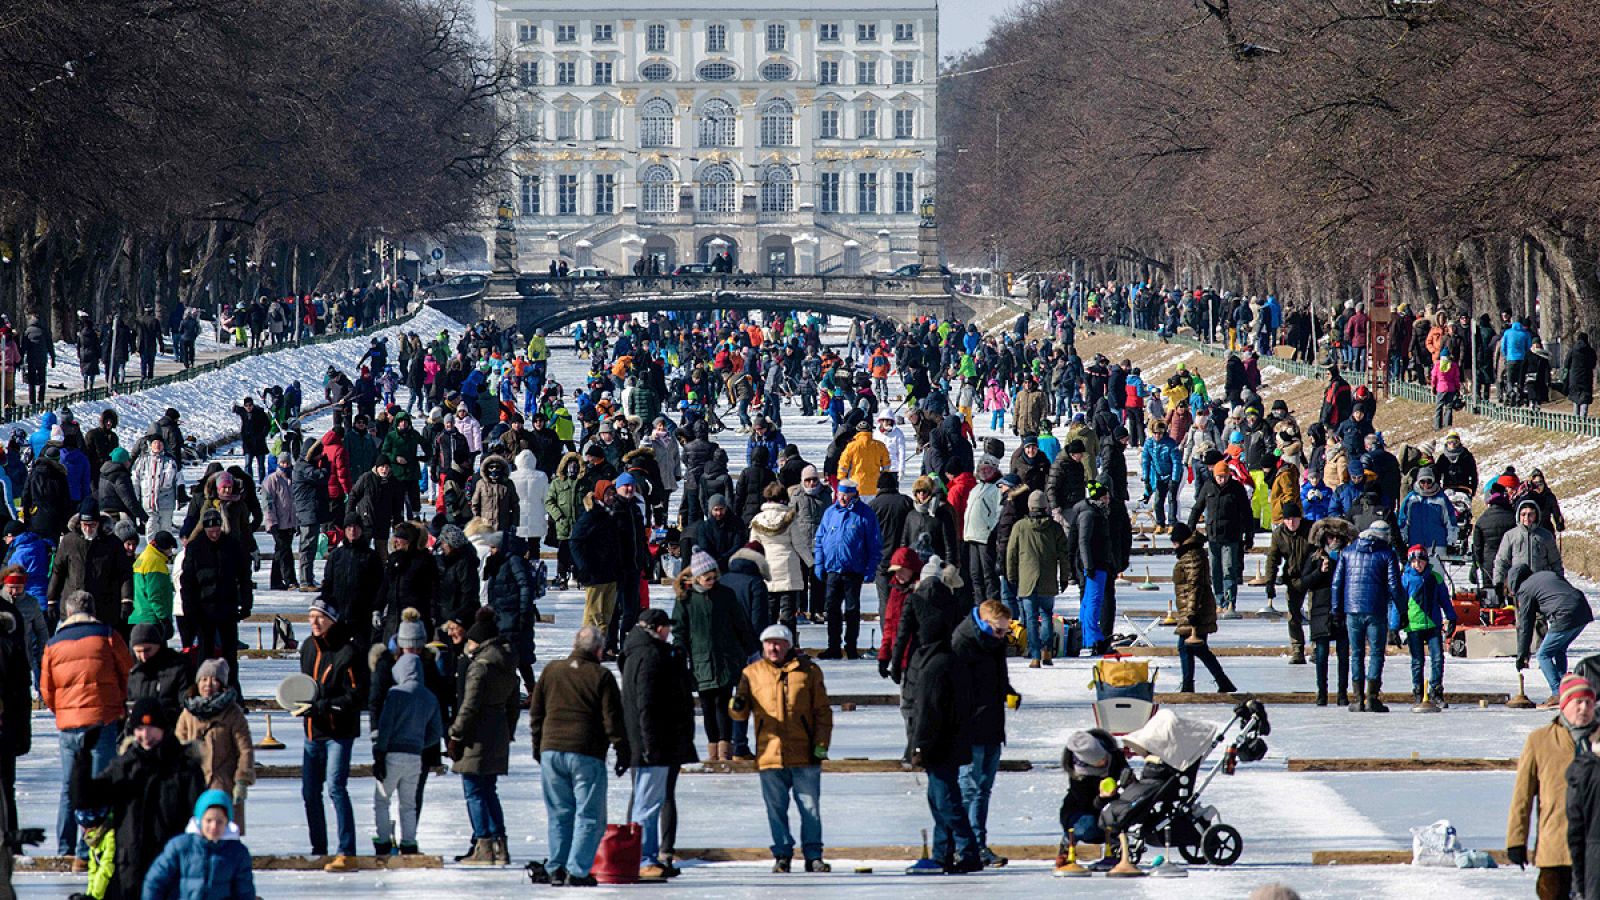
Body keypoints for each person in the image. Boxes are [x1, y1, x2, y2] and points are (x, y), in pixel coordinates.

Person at [69, 696, 204, 900]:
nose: (146, 735)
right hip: (129, 869)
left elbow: (199, 819)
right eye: (140, 729)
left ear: (163, 729)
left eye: (151, 728)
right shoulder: (125, 766)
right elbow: (85, 799)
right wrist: (83, 758)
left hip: (170, 868)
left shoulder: (184, 767)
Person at [528, 626, 628, 886]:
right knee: (589, 815)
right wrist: (622, 749)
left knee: (559, 812)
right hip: (585, 752)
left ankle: (556, 866)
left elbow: (536, 712)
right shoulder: (601, 676)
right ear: (598, 650)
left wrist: (538, 746)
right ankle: (577, 870)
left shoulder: (551, 671)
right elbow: (612, 719)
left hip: (551, 750)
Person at [730, 624, 833, 874]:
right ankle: (782, 854)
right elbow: (739, 714)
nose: (773, 648)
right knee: (775, 809)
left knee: (810, 808)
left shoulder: (808, 672)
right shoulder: (752, 673)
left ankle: (813, 855)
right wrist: (737, 702)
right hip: (769, 753)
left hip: (804, 753)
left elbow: (822, 713)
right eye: (769, 643)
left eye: (778, 643)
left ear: (788, 646)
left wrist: (820, 746)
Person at [42, 589, 131, 861]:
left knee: (70, 785)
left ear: (68, 612)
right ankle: (90, 848)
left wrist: (63, 711)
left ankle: (65, 848)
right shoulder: (107, 636)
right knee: (99, 785)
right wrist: (118, 706)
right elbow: (126, 672)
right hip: (102, 720)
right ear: (93, 610)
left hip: (69, 724)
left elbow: (46, 689)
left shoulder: (53, 644)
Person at [904, 590, 980, 874]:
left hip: (939, 745)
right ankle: (941, 853)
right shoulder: (948, 659)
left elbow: (927, 712)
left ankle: (967, 851)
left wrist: (919, 746)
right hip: (950, 742)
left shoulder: (935, 666)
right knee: (940, 800)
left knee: (946, 802)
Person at [620, 608, 696, 879]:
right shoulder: (649, 655)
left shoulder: (637, 652)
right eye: (666, 627)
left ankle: (646, 855)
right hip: (654, 744)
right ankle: (644, 858)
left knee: (647, 800)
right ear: (656, 628)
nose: (669, 632)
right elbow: (646, 704)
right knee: (648, 803)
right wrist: (651, 744)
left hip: (648, 742)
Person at [294, 599, 367, 870]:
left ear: (332, 620)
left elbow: (357, 696)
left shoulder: (348, 651)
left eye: (320, 617)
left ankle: (346, 850)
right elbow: (305, 686)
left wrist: (324, 706)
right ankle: (319, 849)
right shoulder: (307, 647)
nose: (314, 622)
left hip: (339, 732)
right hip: (312, 732)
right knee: (310, 792)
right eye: (311, 616)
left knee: (336, 788)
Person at [1506, 673, 1593, 899]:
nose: (1584, 708)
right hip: (1555, 848)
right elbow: (1522, 795)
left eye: (1589, 702)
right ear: (1564, 705)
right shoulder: (1540, 741)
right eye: (1578, 702)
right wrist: (1516, 841)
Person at [672, 551, 758, 761]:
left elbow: (741, 625)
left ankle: (725, 751)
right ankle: (713, 750)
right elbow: (680, 630)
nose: (711, 581)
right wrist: (679, 653)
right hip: (702, 661)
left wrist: (752, 650)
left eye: (714, 577)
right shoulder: (686, 599)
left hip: (727, 659)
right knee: (708, 707)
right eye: (707, 578)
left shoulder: (725, 595)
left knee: (724, 704)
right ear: (696, 578)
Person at [449, 610, 519, 867]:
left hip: (476, 734)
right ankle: (500, 845)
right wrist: (508, 731)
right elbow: (513, 705)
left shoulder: (479, 667)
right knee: (489, 789)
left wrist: (456, 733)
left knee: (474, 790)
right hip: (498, 730)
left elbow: (469, 705)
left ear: (477, 642)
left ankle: (484, 845)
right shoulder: (507, 662)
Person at [952, 600, 1015, 868]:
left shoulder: (994, 641)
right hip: (970, 727)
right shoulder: (963, 642)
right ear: (985, 622)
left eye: (1006, 631)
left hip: (992, 725)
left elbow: (999, 677)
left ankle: (977, 843)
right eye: (1000, 631)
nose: (1004, 636)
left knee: (983, 790)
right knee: (969, 787)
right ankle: (965, 846)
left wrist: (1008, 691)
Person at [372, 652, 444, 856]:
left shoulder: (395, 694)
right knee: (409, 804)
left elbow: (385, 725)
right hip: (415, 757)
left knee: (382, 800)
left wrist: (380, 751)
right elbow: (436, 731)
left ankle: (384, 841)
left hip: (392, 754)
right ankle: (409, 842)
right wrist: (420, 743)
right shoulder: (429, 696)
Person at [172, 659, 253, 833]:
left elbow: (245, 749)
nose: (208, 684)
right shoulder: (188, 713)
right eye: (204, 679)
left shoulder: (233, 713)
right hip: (194, 782)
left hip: (223, 782)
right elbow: (177, 745)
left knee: (223, 833)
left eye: (214, 680)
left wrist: (242, 780)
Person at [1332, 520, 1403, 713]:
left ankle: (1357, 699)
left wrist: (1336, 610)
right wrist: (1402, 611)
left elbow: (1337, 583)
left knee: (1356, 654)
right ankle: (1372, 698)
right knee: (1376, 653)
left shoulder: (1348, 552)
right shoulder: (1387, 554)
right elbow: (1394, 586)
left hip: (1351, 609)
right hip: (1376, 609)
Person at [178, 510, 251, 690]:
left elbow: (244, 577)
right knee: (205, 653)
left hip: (227, 607)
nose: (215, 533)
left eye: (217, 528)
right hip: (203, 610)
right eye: (211, 529)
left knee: (229, 655)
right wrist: (189, 610)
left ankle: (232, 691)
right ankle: (203, 690)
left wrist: (247, 602)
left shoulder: (231, 545)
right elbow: (187, 582)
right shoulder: (196, 547)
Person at [141, 789, 255, 900]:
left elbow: (245, 891)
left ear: (227, 822)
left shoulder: (237, 853)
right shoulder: (181, 846)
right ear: (200, 820)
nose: (214, 826)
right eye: (208, 820)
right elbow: (155, 881)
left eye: (220, 821)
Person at [813, 479, 881, 659]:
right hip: (833, 570)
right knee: (832, 609)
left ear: (854, 494)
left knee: (852, 610)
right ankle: (833, 647)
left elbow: (874, 543)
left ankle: (851, 646)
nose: (842, 497)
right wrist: (819, 564)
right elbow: (820, 540)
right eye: (840, 494)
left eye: (845, 494)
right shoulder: (830, 513)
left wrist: (871, 568)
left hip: (853, 570)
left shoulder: (865, 514)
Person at [1510, 566, 1595, 704]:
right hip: (1582, 610)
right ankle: (1565, 688)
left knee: (1543, 655)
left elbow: (1525, 626)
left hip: (1564, 614)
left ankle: (1557, 692)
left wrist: (1522, 655)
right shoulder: (1544, 575)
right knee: (1559, 650)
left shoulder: (1524, 589)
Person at [1169, 523, 1238, 693]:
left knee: (1189, 647)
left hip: (1196, 610)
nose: (1173, 546)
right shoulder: (1190, 554)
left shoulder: (1192, 557)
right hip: (1193, 608)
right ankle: (1217, 682)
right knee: (1194, 648)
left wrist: (1191, 612)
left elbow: (1195, 586)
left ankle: (1191, 684)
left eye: (1175, 542)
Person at [1006, 491, 1071, 668]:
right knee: (1047, 616)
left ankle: (1035, 655)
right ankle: (1047, 651)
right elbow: (1064, 555)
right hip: (1048, 579)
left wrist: (1012, 576)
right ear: (1046, 507)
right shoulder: (1055, 528)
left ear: (1029, 506)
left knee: (1031, 619)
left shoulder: (1020, 527)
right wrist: (1064, 577)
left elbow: (1011, 553)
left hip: (1026, 581)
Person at [1054, 729, 1130, 873]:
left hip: (1111, 807)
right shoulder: (1079, 777)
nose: (1104, 764)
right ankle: (1068, 844)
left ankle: (1115, 851)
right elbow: (1087, 804)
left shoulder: (1113, 755)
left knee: (1119, 817)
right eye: (1100, 764)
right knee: (1088, 826)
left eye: (1105, 760)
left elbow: (1127, 777)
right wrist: (1102, 798)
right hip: (1083, 811)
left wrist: (1127, 779)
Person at [1300, 518, 1356, 707]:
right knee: (1321, 655)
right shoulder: (1315, 557)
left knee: (1343, 655)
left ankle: (1342, 693)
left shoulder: (1349, 557)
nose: (1333, 540)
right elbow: (1304, 582)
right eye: (1330, 537)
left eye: (1337, 537)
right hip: (1321, 610)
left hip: (1343, 610)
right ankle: (1321, 693)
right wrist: (1320, 572)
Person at [1397, 545, 1456, 710]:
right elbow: (1397, 603)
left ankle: (1436, 691)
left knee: (1437, 658)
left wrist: (1452, 618)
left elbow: (1445, 600)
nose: (1418, 564)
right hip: (1414, 626)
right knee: (1417, 661)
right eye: (1414, 561)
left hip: (1433, 625)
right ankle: (1418, 692)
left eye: (1421, 561)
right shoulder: (1405, 579)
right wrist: (1394, 626)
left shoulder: (1435, 578)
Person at [1262, 501, 1312, 664]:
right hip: (1293, 578)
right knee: (1293, 615)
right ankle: (1298, 649)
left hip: (1313, 576)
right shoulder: (1279, 534)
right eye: (1288, 519)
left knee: (1316, 613)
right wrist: (1270, 581)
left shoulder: (1311, 530)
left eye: (1295, 519)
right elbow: (1273, 558)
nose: (1291, 522)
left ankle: (1318, 647)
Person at [126, 623, 192, 730]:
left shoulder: (179, 668)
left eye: (147, 650)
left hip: (172, 731)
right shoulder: (135, 673)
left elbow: (185, 705)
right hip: (142, 734)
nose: (143, 656)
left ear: (158, 646)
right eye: (138, 651)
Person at [1495, 499, 1564, 591]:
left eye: (1530, 514)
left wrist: (1560, 581)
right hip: (1517, 585)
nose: (1526, 517)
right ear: (1518, 516)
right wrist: (1498, 582)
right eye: (1523, 514)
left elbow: (1555, 562)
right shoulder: (1510, 535)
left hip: (1541, 585)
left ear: (1536, 515)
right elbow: (1501, 561)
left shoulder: (1546, 536)